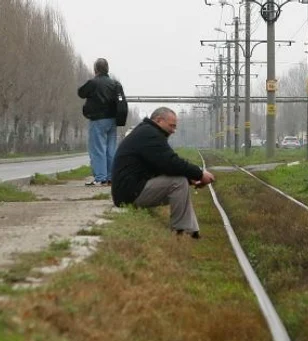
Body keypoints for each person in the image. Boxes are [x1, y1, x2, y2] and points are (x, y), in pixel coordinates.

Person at [111, 107, 215, 238]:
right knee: (178, 182)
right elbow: (171, 162)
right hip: (129, 194)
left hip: (130, 189)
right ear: (159, 120)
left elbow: (162, 167)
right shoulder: (150, 135)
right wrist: (199, 174)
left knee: (181, 181)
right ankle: (181, 231)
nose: (173, 130)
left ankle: (191, 231)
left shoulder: (147, 132)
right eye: (171, 126)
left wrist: (190, 179)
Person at [78, 58, 118, 186]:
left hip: (98, 119)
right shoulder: (114, 84)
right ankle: (111, 178)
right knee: (111, 149)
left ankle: (100, 178)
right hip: (113, 120)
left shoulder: (93, 83)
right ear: (107, 69)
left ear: (96, 69)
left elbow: (81, 93)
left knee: (97, 148)